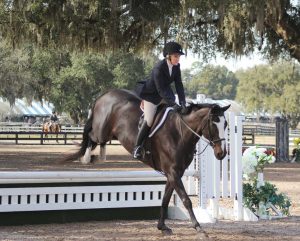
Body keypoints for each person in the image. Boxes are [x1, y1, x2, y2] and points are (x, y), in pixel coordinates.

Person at [133, 41, 187, 159]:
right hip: (151, 95)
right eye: (176, 56)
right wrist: (173, 103)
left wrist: (183, 102)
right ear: (168, 56)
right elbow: (160, 89)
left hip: (166, 94)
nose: (178, 59)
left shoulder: (176, 67)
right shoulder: (159, 68)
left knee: (175, 115)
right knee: (150, 119)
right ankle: (137, 146)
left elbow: (179, 85)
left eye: (178, 56)